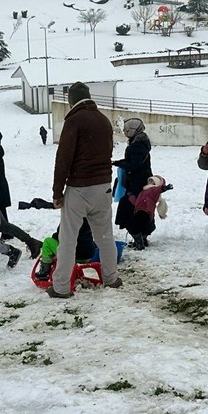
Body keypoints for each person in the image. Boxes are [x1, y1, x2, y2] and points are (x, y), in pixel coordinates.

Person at [49, 81, 120, 298]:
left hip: (79, 188)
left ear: (71, 100)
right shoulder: (104, 120)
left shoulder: (74, 121)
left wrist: (57, 192)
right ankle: (111, 278)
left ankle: (61, 287)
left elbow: (63, 159)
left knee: (68, 238)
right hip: (104, 187)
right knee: (105, 236)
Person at [113, 117, 152, 234]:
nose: (124, 132)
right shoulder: (140, 142)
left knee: (130, 210)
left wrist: (119, 163)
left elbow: (134, 165)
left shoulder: (137, 145)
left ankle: (138, 236)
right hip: (142, 179)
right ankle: (142, 235)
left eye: (126, 130)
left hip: (136, 183)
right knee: (140, 208)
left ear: (133, 129)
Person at [128, 175, 170, 250]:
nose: (150, 183)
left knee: (134, 227)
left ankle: (139, 243)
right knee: (141, 227)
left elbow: (157, 190)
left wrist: (163, 188)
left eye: (152, 182)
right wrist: (131, 197)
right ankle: (142, 240)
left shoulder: (152, 190)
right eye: (150, 181)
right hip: (141, 210)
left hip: (145, 210)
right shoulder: (144, 190)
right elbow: (137, 201)